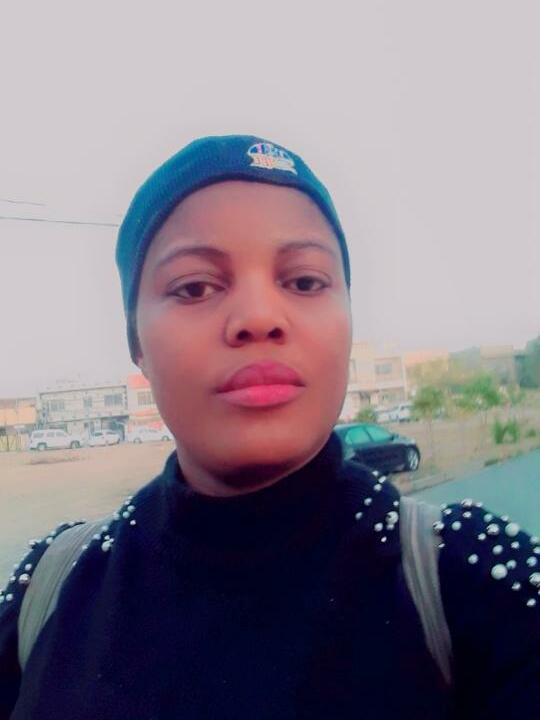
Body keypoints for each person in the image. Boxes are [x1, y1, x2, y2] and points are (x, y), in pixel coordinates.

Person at [1, 135, 539, 719]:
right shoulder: (48, 587)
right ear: (136, 343)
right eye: (195, 287)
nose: (259, 318)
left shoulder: (473, 577)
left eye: (305, 282)